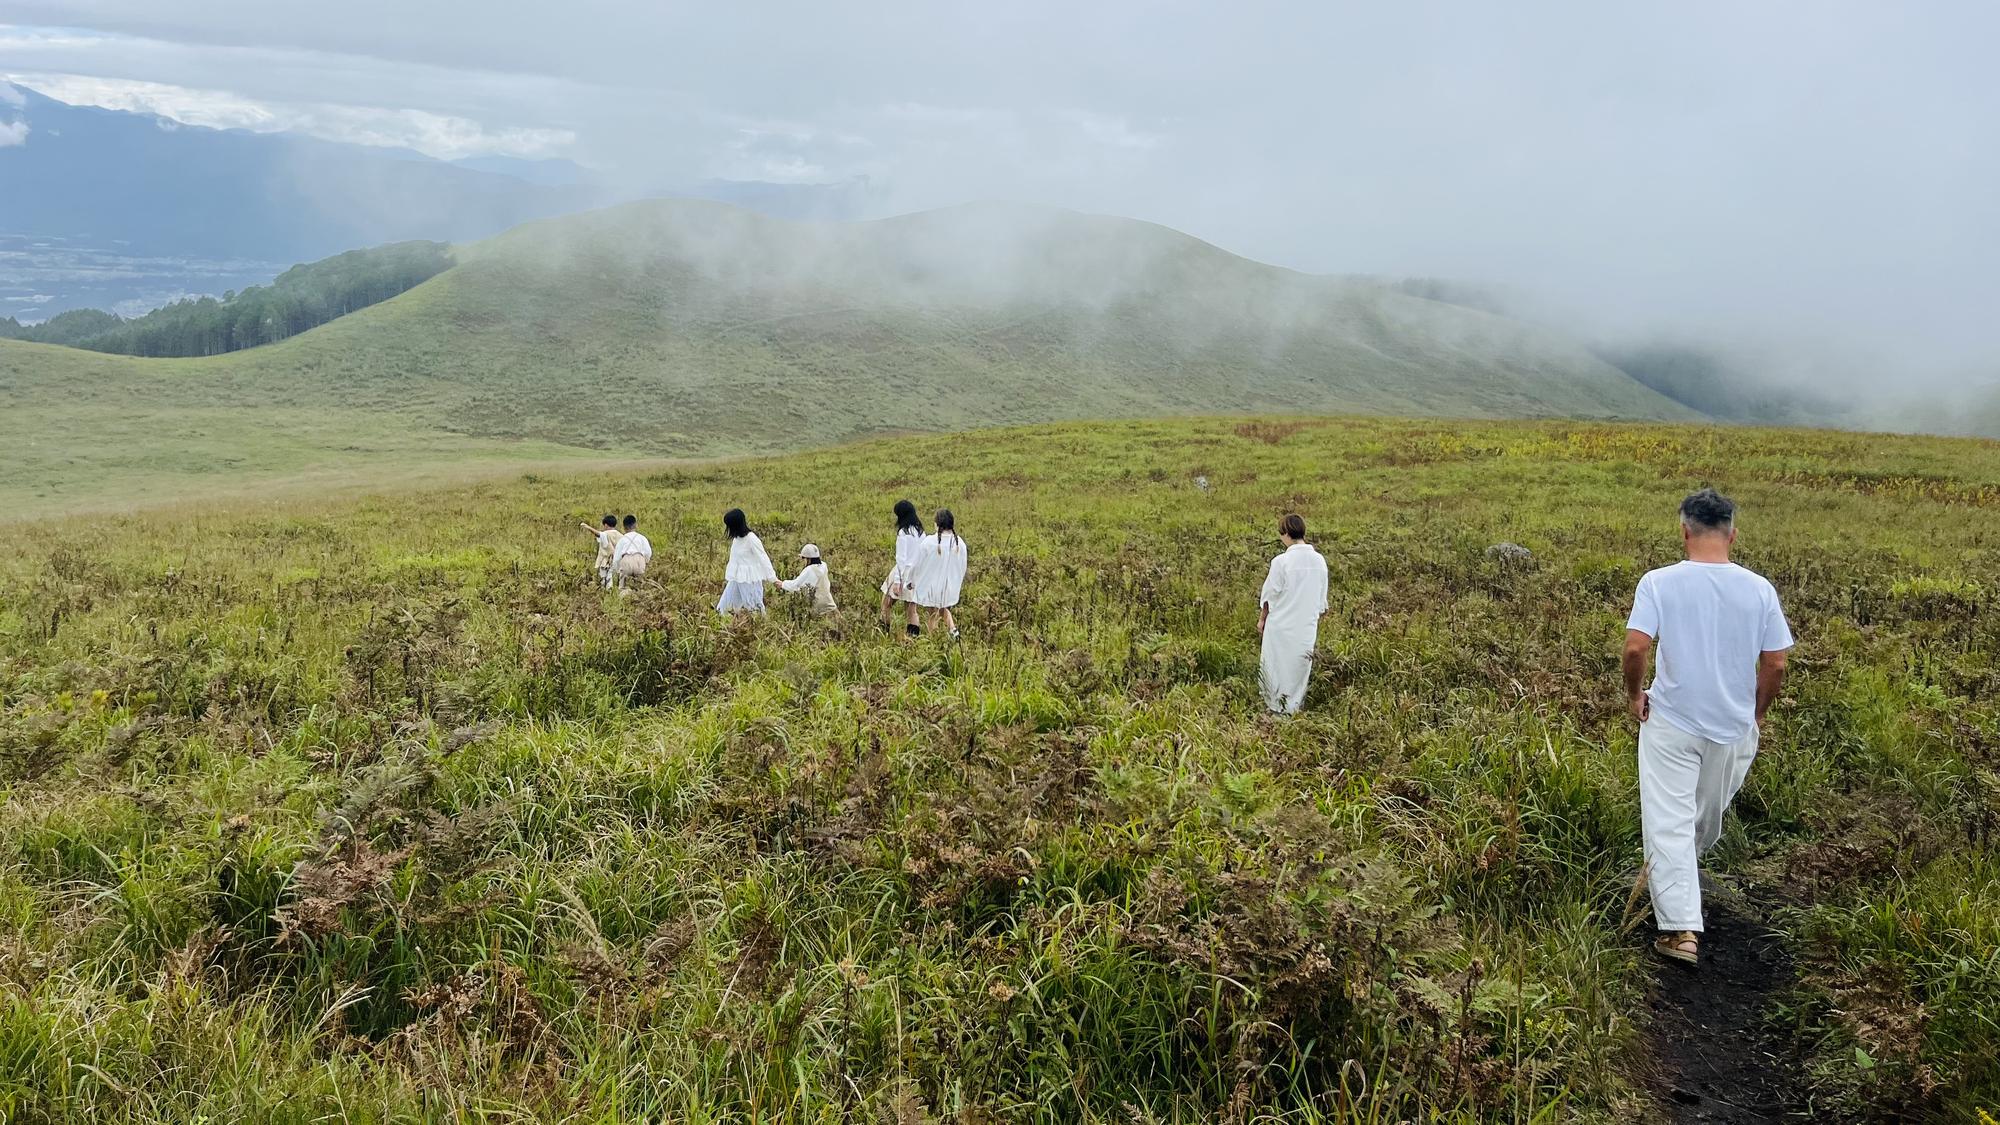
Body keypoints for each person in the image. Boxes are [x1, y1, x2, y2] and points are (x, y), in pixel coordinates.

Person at [1624, 488, 1792, 966]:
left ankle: (1679, 928)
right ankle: (1676, 893)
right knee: (1701, 818)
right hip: (1733, 726)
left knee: (1671, 818)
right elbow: (1776, 663)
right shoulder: (1760, 589)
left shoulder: (1658, 582)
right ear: (1733, 534)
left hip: (1672, 720)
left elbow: (1636, 647)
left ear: (1684, 531)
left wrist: (1635, 695)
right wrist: (1757, 713)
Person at [1256, 513, 1329, 715]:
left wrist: (1262, 620)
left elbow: (1269, 596)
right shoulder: (1319, 561)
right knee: (1299, 666)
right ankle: (1294, 707)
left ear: (1286, 533)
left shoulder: (1281, 562)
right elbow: (1322, 601)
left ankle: (1274, 706)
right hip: (1305, 626)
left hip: (1280, 625)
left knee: (1276, 665)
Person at [908, 508, 967, 639]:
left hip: (931, 587)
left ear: (937, 524)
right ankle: (953, 632)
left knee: (933, 613)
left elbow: (916, 564)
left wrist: (911, 581)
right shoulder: (959, 543)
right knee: (943, 609)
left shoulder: (929, 542)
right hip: (950, 586)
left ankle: (934, 639)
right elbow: (963, 566)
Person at [716, 508, 779, 614]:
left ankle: (759, 623)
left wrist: (773, 578)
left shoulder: (752, 539)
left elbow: (763, 558)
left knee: (754, 608)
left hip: (750, 579)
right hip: (737, 578)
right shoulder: (736, 539)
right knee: (723, 608)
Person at [878, 499, 926, 637]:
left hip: (903, 572)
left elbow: (901, 558)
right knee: (911, 609)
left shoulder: (903, 533)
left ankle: (883, 633)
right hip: (916, 573)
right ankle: (913, 638)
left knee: (886, 603)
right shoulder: (921, 532)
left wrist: (897, 581)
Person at [777, 543, 837, 615]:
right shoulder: (823, 565)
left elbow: (796, 585)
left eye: (803, 558)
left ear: (808, 559)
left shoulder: (809, 570)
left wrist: (783, 584)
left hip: (818, 609)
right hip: (830, 606)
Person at [610, 514, 650, 591]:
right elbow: (648, 552)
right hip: (639, 560)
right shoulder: (642, 538)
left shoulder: (622, 539)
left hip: (626, 560)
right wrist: (645, 562)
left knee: (623, 587)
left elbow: (617, 558)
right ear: (635, 525)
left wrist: (617, 570)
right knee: (639, 586)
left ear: (624, 527)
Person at [581, 514, 619, 586]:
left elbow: (598, 534)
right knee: (614, 580)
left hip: (606, 562)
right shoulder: (620, 535)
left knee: (605, 581)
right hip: (617, 562)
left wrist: (587, 527)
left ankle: (607, 591)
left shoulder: (606, 534)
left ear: (606, 525)